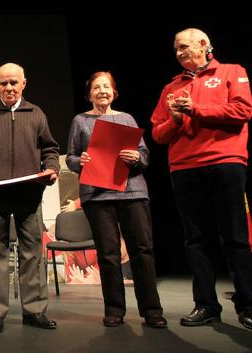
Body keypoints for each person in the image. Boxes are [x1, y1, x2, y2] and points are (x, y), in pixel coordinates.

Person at [151, 28, 252, 330]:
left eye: (184, 46)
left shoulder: (231, 72)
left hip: (225, 162)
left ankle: (248, 305)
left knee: (235, 236)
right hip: (184, 167)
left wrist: (196, 110)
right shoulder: (171, 87)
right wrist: (174, 119)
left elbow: (242, 110)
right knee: (196, 239)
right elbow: (158, 134)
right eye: (176, 49)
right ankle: (206, 305)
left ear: (203, 44)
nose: (179, 52)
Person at [0, 63, 59, 334]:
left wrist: (52, 168)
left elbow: (50, 148)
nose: (9, 88)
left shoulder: (35, 113)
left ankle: (35, 310)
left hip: (29, 194)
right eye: (3, 83)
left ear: (24, 83)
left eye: (14, 83)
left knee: (32, 254)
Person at [66, 71, 166, 328]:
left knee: (142, 250)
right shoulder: (80, 121)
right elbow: (71, 157)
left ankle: (152, 310)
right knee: (108, 254)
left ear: (114, 92)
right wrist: (81, 162)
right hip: (97, 196)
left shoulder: (127, 118)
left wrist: (136, 158)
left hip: (131, 191)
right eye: (96, 87)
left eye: (107, 87)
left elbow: (144, 154)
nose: (102, 91)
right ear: (89, 93)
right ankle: (114, 310)